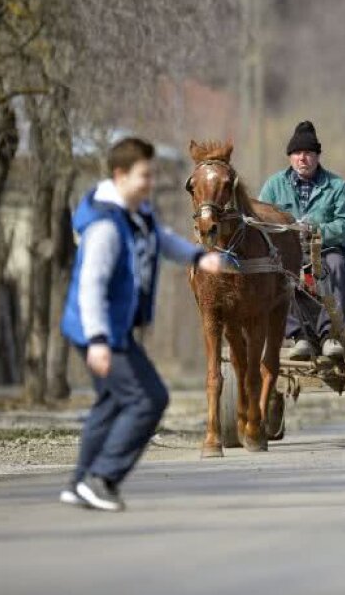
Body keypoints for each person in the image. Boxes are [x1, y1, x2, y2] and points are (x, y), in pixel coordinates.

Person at [60, 137, 225, 511]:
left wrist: (199, 257)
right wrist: (99, 341)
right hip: (98, 328)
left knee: (110, 403)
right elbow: (90, 287)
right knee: (148, 398)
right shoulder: (105, 226)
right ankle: (102, 478)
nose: (151, 182)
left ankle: (78, 483)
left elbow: (162, 241)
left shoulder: (136, 213)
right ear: (120, 175)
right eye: (144, 175)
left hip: (112, 328)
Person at [259, 121, 345, 361]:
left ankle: (330, 335)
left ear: (317, 156)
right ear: (290, 157)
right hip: (287, 253)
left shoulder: (336, 186)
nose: (303, 158)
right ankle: (299, 336)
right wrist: (288, 233)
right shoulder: (273, 186)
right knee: (280, 273)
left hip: (325, 250)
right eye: (297, 153)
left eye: (309, 153)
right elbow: (261, 220)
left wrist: (316, 229)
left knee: (337, 266)